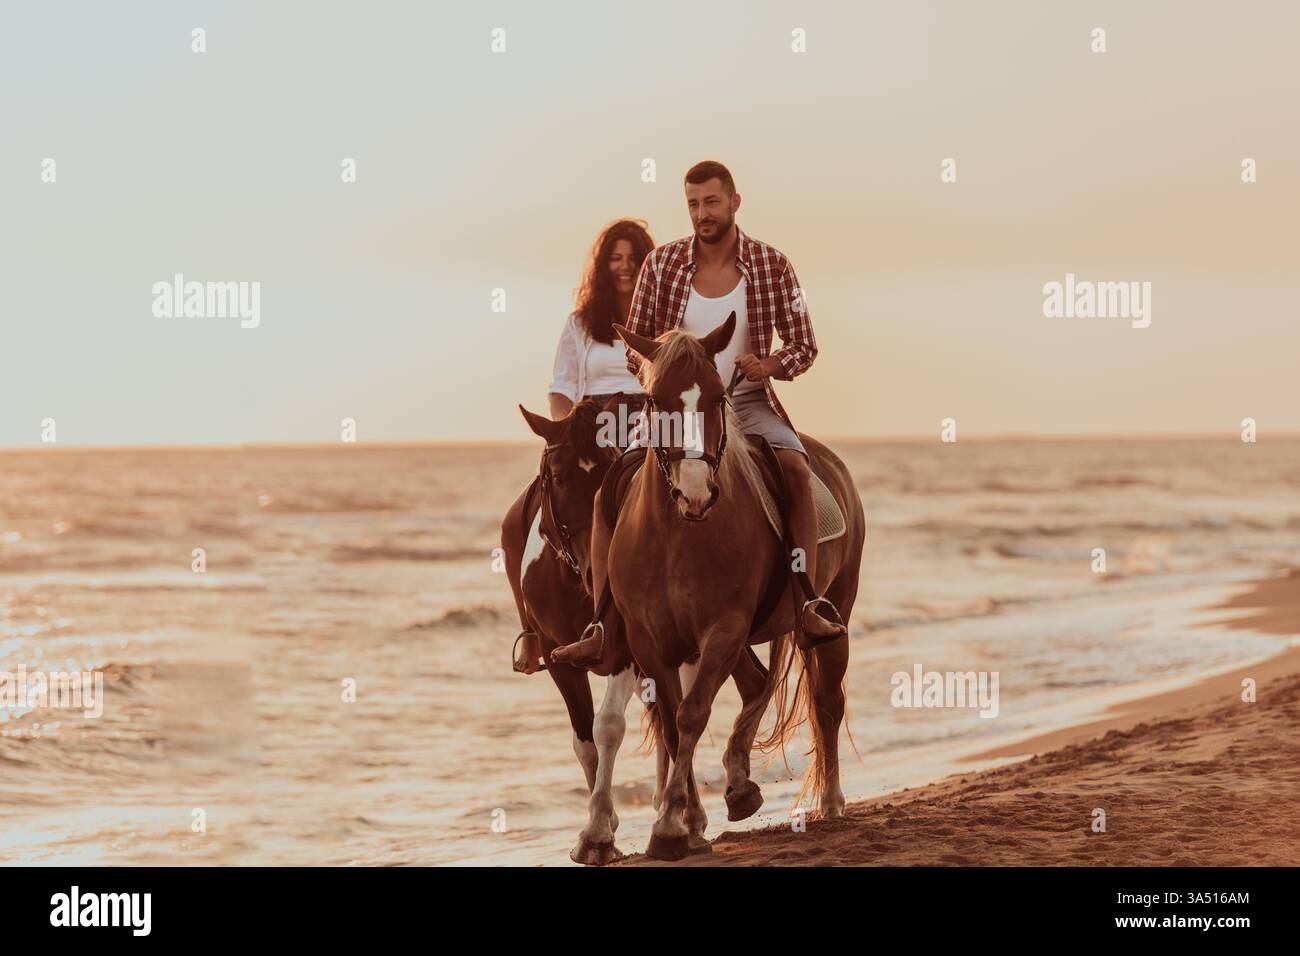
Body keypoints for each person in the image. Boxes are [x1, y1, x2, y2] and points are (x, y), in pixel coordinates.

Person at [552, 160, 846, 667]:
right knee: (608, 494)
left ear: (734, 202)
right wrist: (667, 365)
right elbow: (633, 347)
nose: (701, 213)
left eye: (711, 202)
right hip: (675, 407)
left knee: (797, 471)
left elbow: (805, 345)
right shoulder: (662, 265)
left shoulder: (772, 265)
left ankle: (807, 599)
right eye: (692, 204)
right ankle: (602, 625)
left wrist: (770, 363)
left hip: (747, 402)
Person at [507, 219, 654, 674]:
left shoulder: (663, 318)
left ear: (647, 264)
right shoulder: (580, 324)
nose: (625, 267)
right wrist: (566, 430)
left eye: (634, 258)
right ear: (603, 264)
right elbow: (561, 386)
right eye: (616, 258)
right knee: (516, 523)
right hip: (588, 426)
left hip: (648, 422)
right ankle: (532, 636)